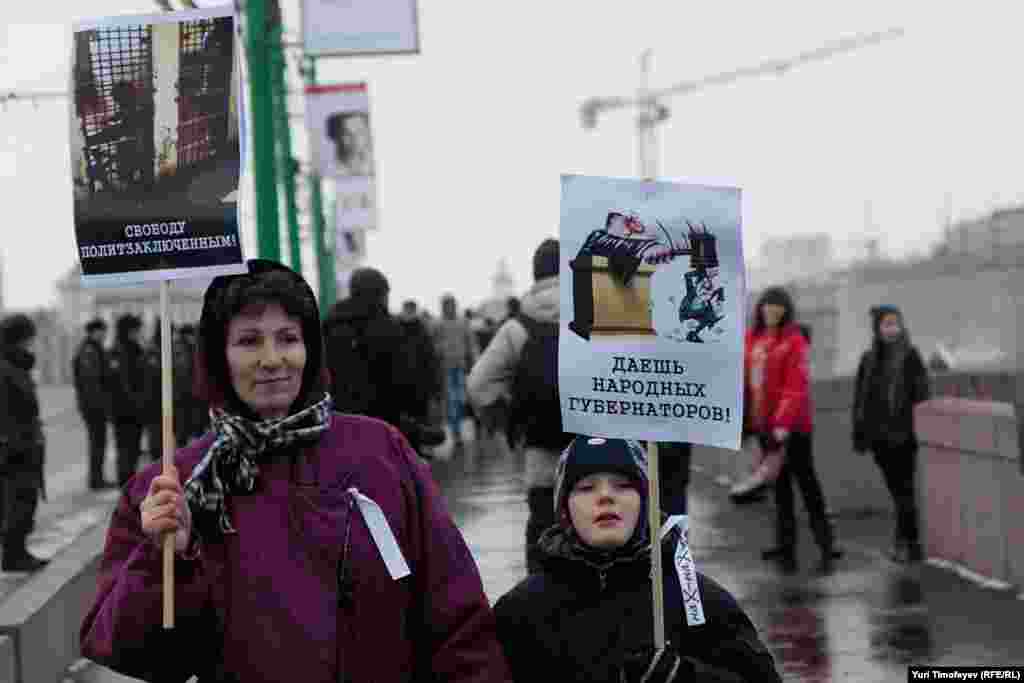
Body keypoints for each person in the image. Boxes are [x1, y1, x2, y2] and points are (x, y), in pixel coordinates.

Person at [80, 259, 512, 682]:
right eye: (249, 341)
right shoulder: (174, 485)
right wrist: (163, 559)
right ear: (217, 355)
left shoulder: (379, 451)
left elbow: (456, 612)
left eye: (288, 338)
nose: (272, 359)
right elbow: (132, 653)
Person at [493, 436, 782, 682]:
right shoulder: (521, 610)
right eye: (586, 487)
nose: (605, 496)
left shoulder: (694, 598)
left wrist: (686, 676)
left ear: (645, 502)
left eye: (623, 485)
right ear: (564, 507)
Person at [468, 238, 572, 572]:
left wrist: (506, 419)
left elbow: (478, 384)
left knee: (543, 532)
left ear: (534, 273)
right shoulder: (597, 315)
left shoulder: (518, 326)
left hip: (541, 450)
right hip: (598, 450)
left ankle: (542, 610)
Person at [745, 287, 838, 574]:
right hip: (764, 426)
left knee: (807, 484)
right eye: (767, 306)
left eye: (778, 307)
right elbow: (745, 383)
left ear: (785, 311)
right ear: (760, 309)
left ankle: (825, 543)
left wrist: (783, 425)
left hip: (793, 428)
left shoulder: (795, 341)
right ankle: (785, 545)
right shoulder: (752, 340)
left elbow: (795, 387)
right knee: (780, 488)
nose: (771, 311)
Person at [323, 268, 441, 454]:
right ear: (379, 293)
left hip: (339, 423)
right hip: (381, 423)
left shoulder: (330, 324)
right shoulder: (385, 326)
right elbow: (403, 380)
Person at [852, 305, 930, 563]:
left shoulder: (911, 356)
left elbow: (922, 394)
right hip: (879, 439)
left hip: (904, 436)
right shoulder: (868, 359)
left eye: (895, 323)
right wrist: (860, 433)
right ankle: (906, 543)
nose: (892, 328)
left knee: (903, 491)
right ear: (878, 328)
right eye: (886, 324)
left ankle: (910, 544)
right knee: (898, 493)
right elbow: (860, 399)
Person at [0, 314, 49, 571]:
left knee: (25, 499)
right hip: (15, 449)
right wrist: (12, 444)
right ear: (19, 339)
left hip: (25, 445)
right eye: (29, 338)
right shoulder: (6, 369)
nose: (33, 343)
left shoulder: (18, 366)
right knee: (16, 501)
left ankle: (18, 551)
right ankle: (12, 556)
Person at [73, 317, 116, 490]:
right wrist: (100, 406)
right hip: (93, 406)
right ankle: (96, 480)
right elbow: (91, 382)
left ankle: (97, 478)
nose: (105, 334)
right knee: (97, 442)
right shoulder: (89, 351)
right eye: (102, 331)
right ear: (94, 332)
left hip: (95, 405)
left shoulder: (94, 349)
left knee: (99, 442)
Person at [107, 314, 149, 487]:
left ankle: (127, 479)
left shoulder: (126, 349)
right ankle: (126, 482)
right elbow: (125, 384)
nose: (139, 333)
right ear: (130, 331)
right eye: (137, 330)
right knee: (127, 448)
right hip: (126, 410)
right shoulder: (124, 351)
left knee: (129, 448)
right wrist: (137, 404)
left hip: (127, 410)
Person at [434, 293, 479, 446]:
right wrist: (440, 350)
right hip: (446, 368)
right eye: (447, 305)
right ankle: (456, 432)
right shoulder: (437, 324)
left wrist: (475, 362)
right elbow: (432, 347)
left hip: (460, 367)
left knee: (460, 399)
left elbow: (472, 344)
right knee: (452, 400)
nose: (449, 307)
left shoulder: (462, 323)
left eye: (451, 304)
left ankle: (459, 429)